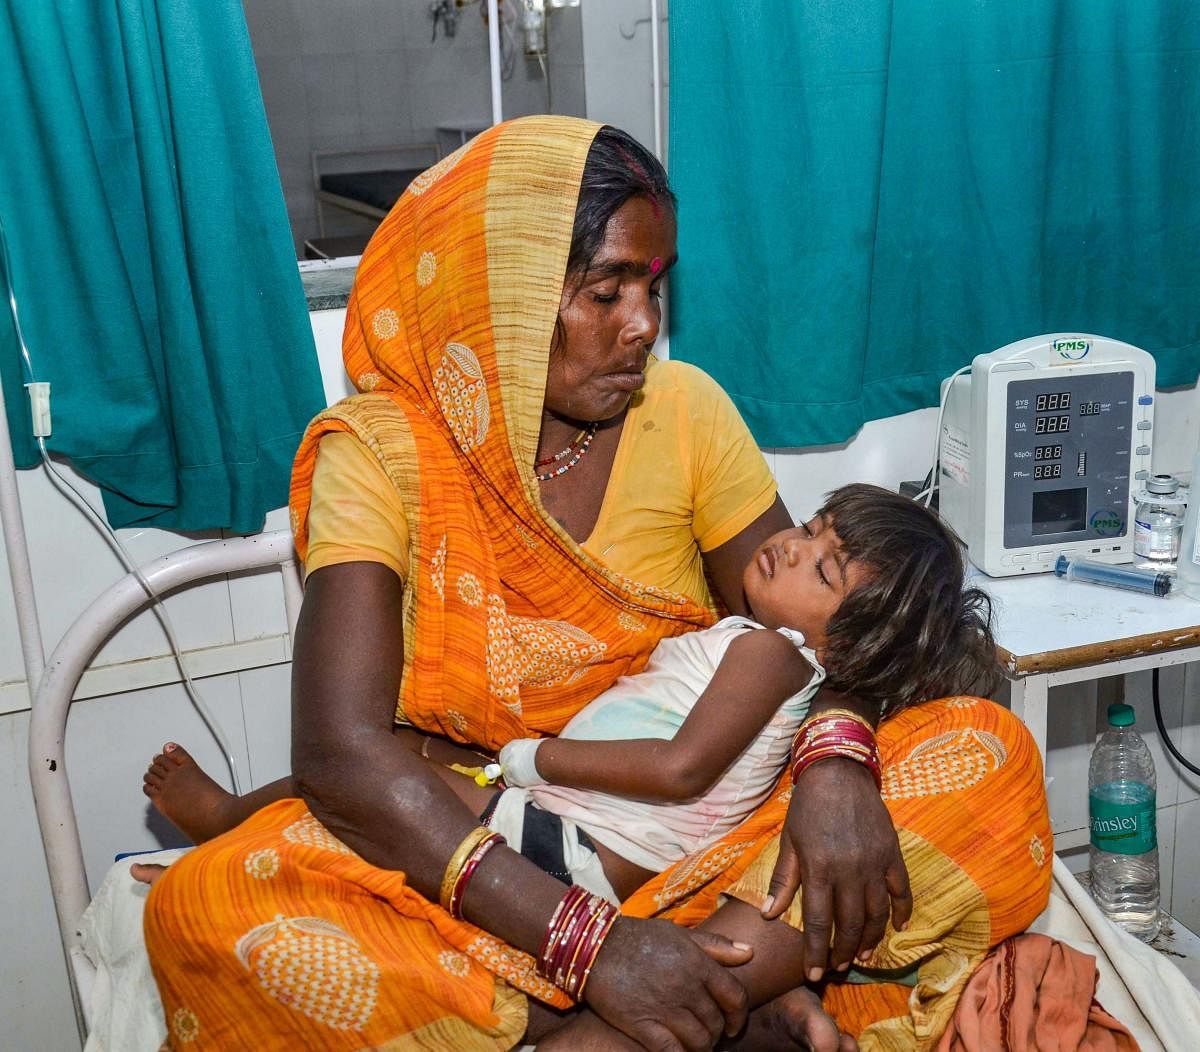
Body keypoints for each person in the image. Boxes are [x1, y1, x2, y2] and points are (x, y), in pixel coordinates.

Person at [144, 117, 1052, 1052]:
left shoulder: (686, 413)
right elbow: (340, 754)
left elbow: (839, 621)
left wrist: (836, 760)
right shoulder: (386, 456)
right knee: (203, 904)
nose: (644, 327)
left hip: (699, 854)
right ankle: (719, 1000)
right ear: (499, 293)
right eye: (605, 290)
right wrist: (595, 949)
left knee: (988, 752)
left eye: (652, 289)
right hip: (490, 867)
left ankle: (665, 1000)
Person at [143, 484, 998, 916]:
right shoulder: (763, 647)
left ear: (847, 644)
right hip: (564, 825)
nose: (790, 544)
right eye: (813, 527)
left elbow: (678, 768)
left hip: (574, 855)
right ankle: (239, 826)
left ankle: (227, 822)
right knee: (416, 749)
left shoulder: (771, 657)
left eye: (824, 568)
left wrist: (533, 758)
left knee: (378, 769)